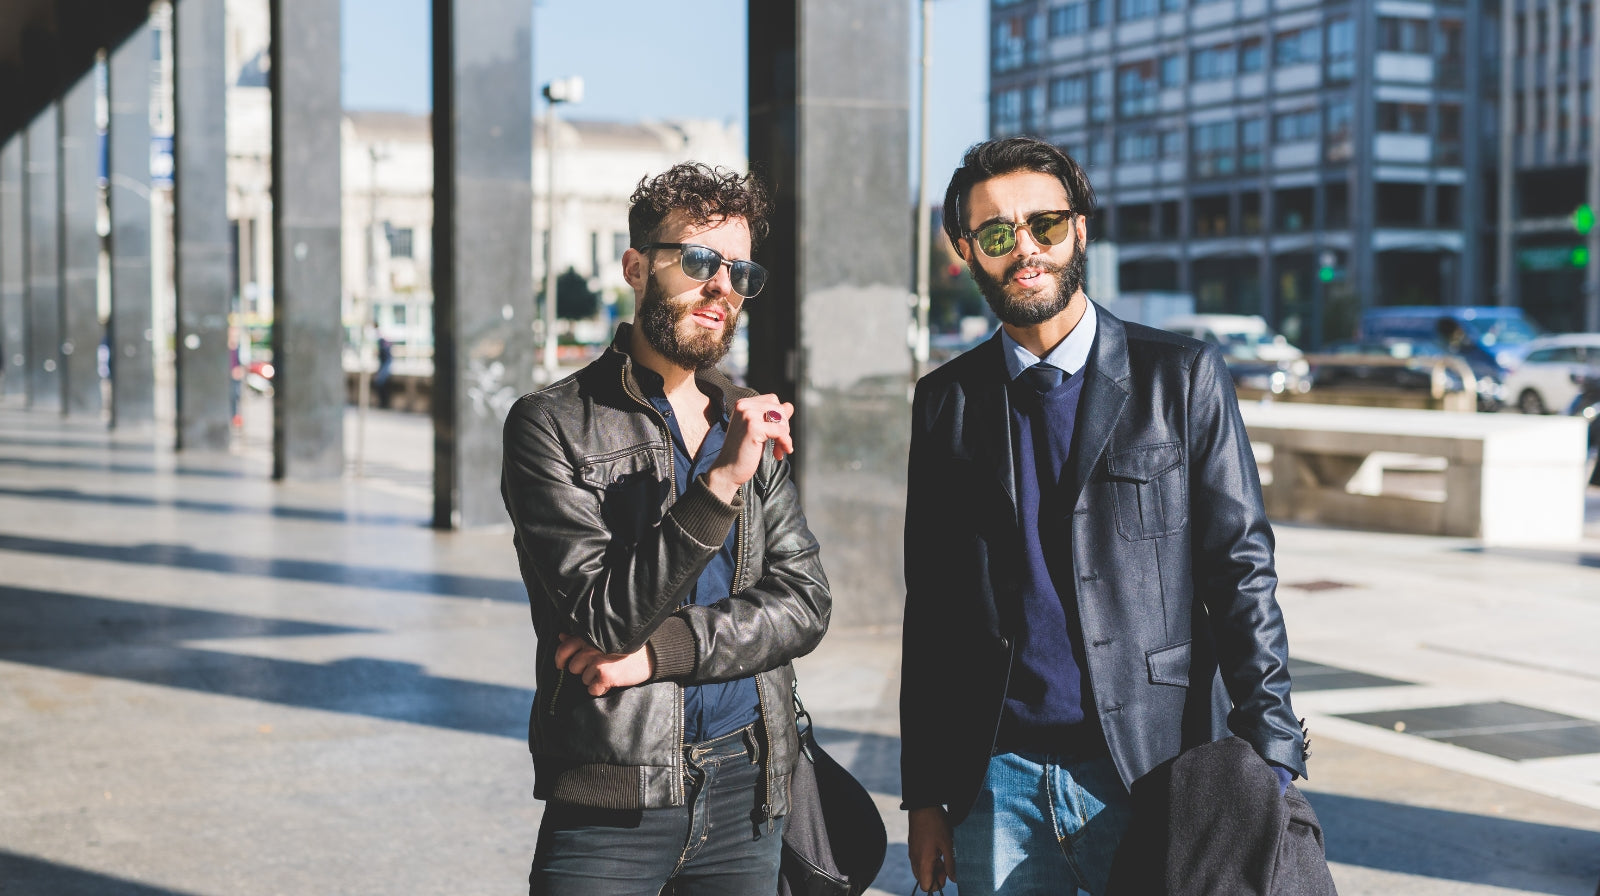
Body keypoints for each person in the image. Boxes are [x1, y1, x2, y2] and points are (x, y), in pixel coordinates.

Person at [900, 136, 1308, 896]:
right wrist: (925, 796)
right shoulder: (946, 401)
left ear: (1080, 227)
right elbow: (931, 608)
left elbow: (1242, 572)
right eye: (996, 234)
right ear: (966, 252)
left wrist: (1274, 756)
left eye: (1044, 225)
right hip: (998, 780)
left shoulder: (1181, 378)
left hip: (1156, 765)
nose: (1025, 249)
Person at [501, 162, 831, 896]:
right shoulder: (552, 424)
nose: (722, 288)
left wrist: (660, 656)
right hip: (614, 794)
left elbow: (805, 602)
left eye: (739, 272)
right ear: (635, 267)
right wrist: (720, 485)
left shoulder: (749, 418)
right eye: (699, 261)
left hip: (750, 788)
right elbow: (599, 616)